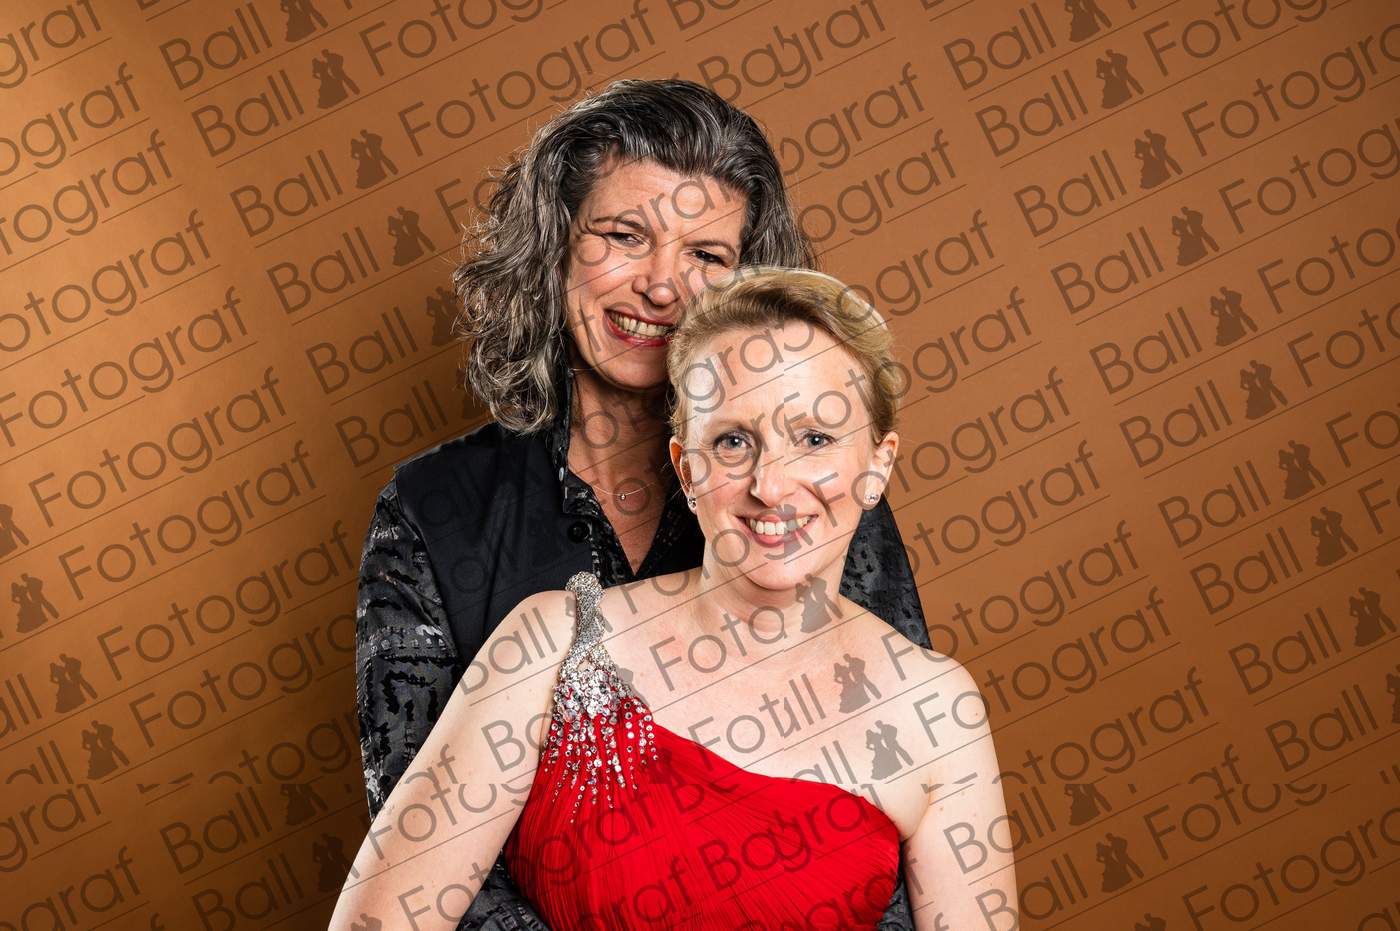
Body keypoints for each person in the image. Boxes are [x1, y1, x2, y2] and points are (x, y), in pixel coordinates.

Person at [353, 79, 935, 930]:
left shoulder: (807, 502)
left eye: (707, 255)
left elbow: (896, 804)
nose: (664, 286)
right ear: (554, 245)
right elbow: (421, 858)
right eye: (625, 236)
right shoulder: (430, 509)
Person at [332, 267, 1015, 929]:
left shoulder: (935, 707)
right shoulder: (551, 644)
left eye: (814, 438)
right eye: (734, 441)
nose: (771, 485)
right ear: (686, 470)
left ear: (877, 464)